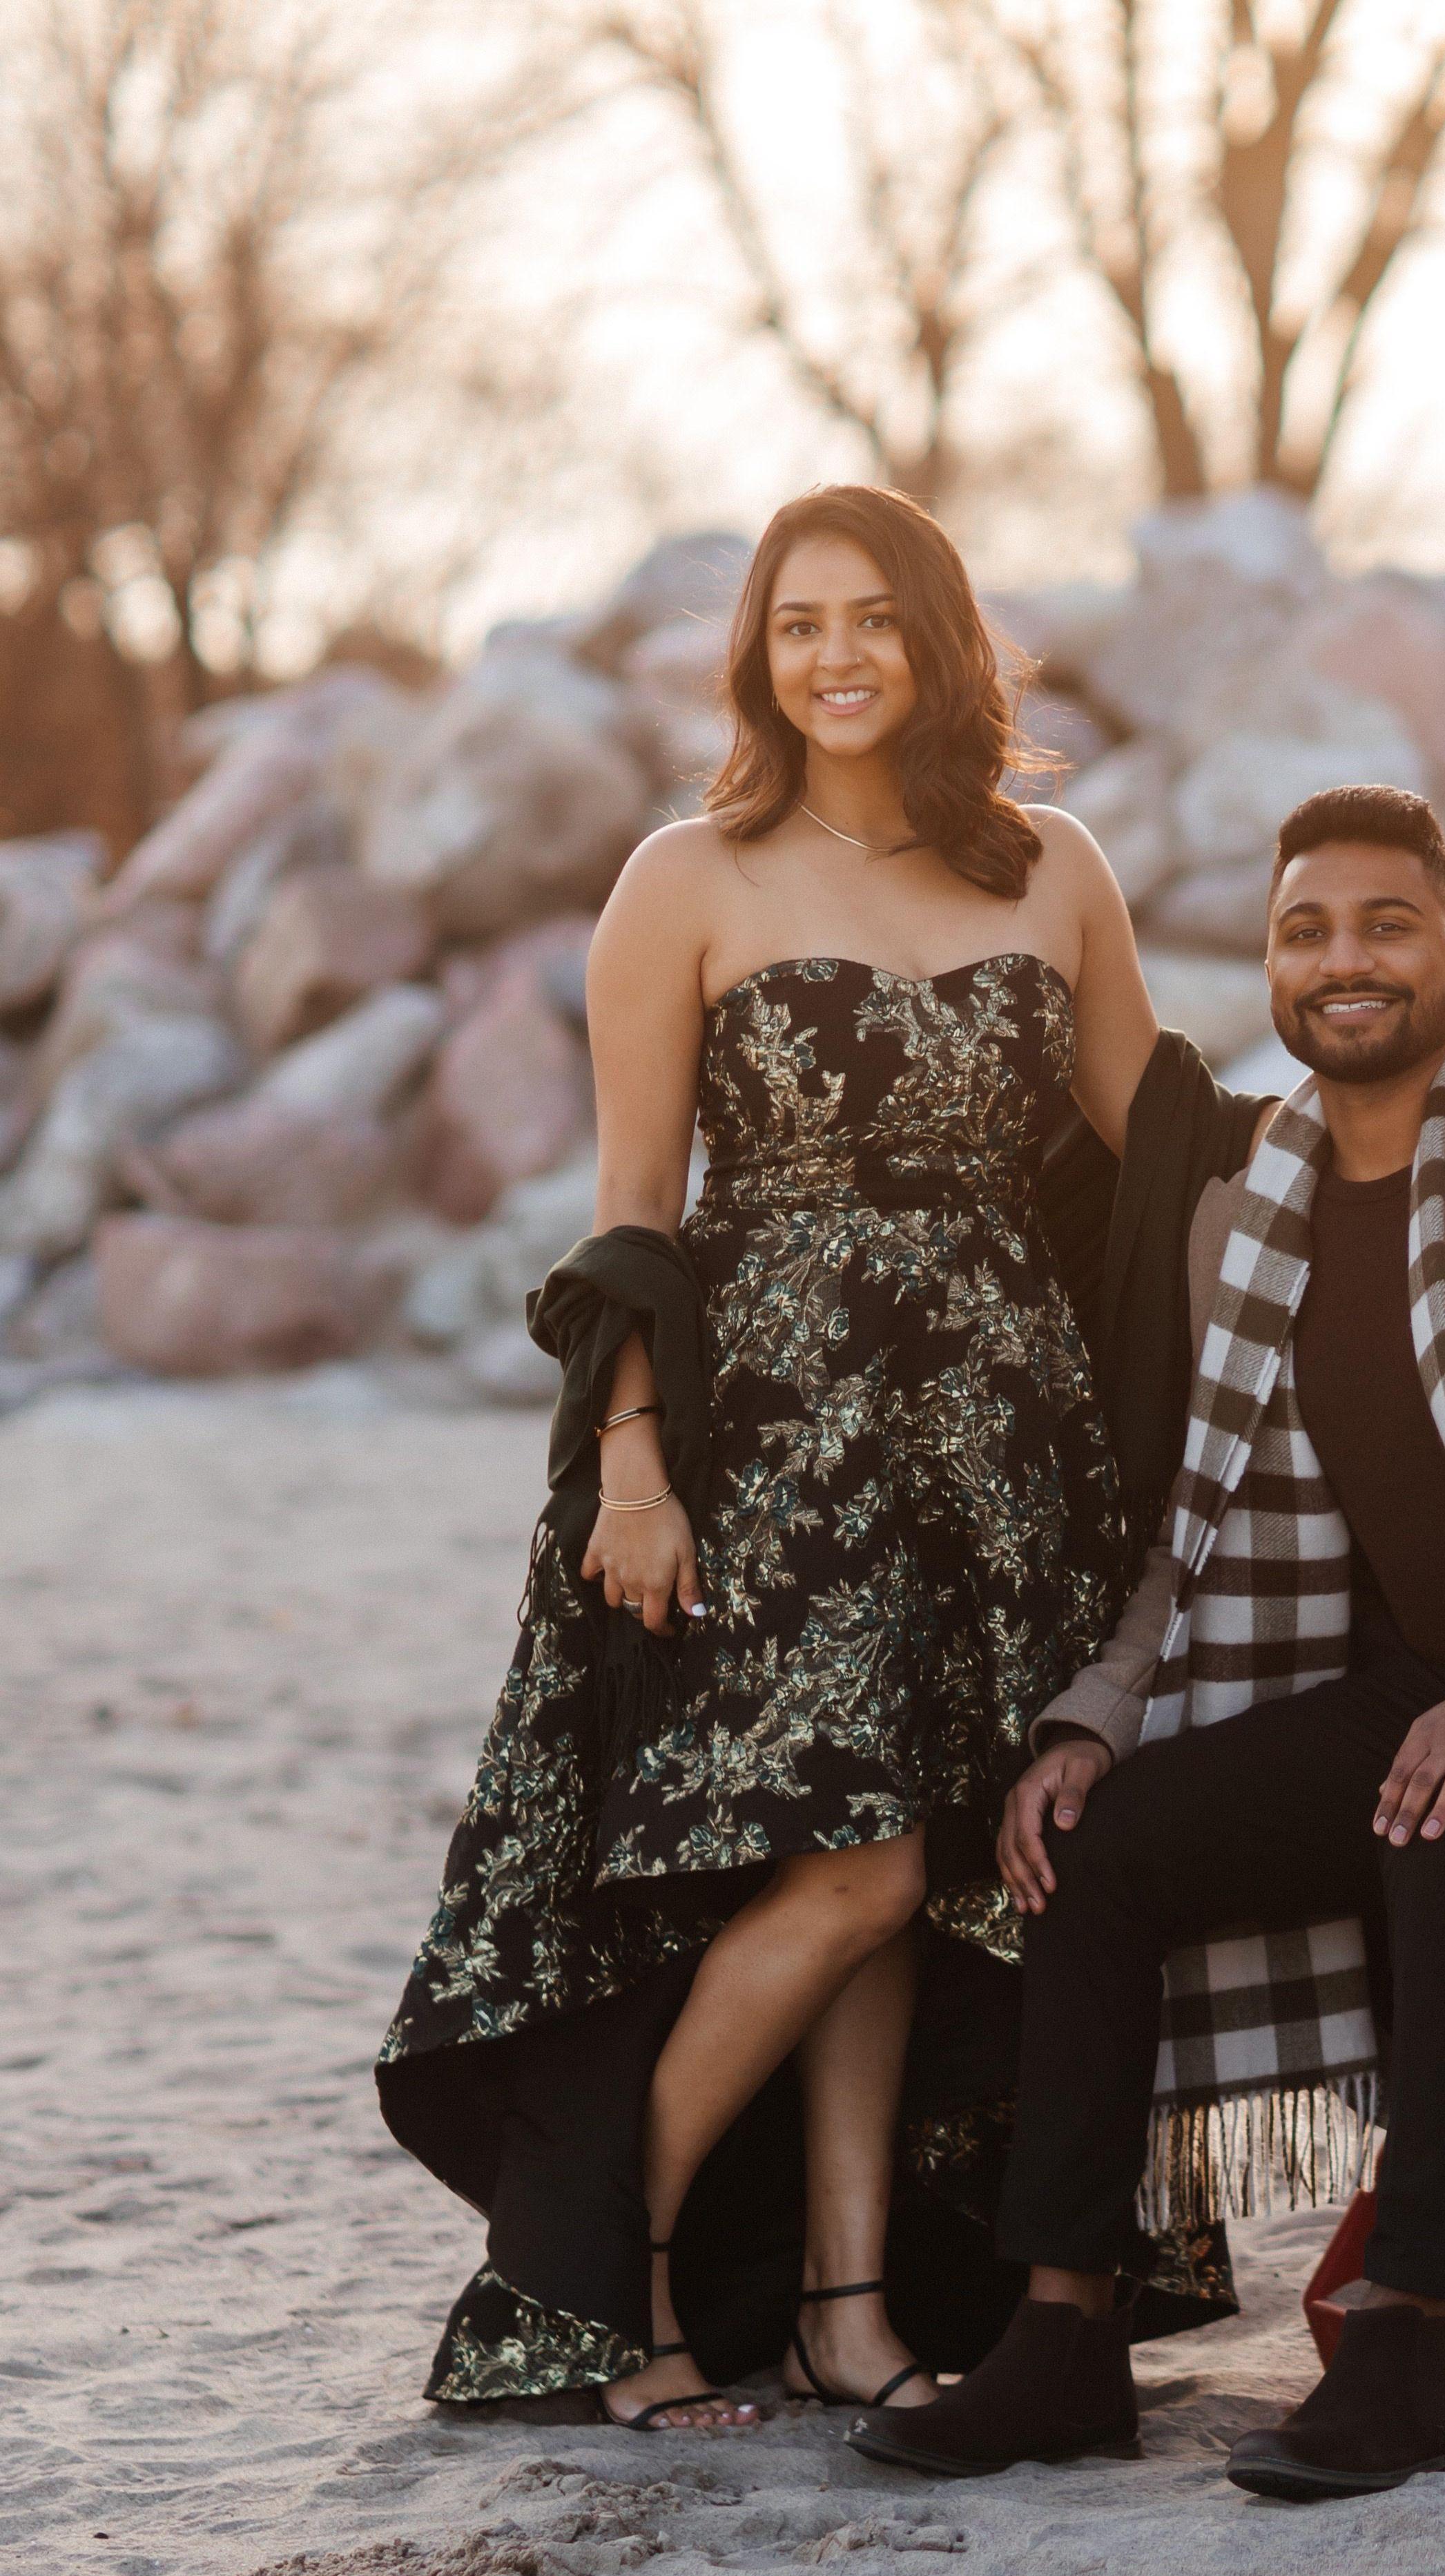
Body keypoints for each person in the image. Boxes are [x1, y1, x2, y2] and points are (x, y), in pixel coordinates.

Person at [376, 485, 1254, 2433]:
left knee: (925, 1874)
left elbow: (1168, 1154)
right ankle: (609, 2291)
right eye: (797, 625)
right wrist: (632, 1470)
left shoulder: (1058, 870)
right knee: (845, 1875)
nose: (835, 654)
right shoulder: (686, 878)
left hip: (1005, 1454)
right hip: (777, 1451)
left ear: (944, 644)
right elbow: (631, 1223)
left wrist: (1422, 1150)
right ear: (760, 660)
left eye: (873, 619)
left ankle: (851, 2313)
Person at [846, 782, 1445, 2499]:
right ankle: (1066, 2332)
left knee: (1438, 1818)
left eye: (1384, 927)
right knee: (1104, 1843)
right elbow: (1198, 1519)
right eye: (1307, 930)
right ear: (1277, 969)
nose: (1343, 960)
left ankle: (1404, 2340)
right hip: (1395, 1685)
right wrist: (1088, 1721)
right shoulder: (1250, 1210)